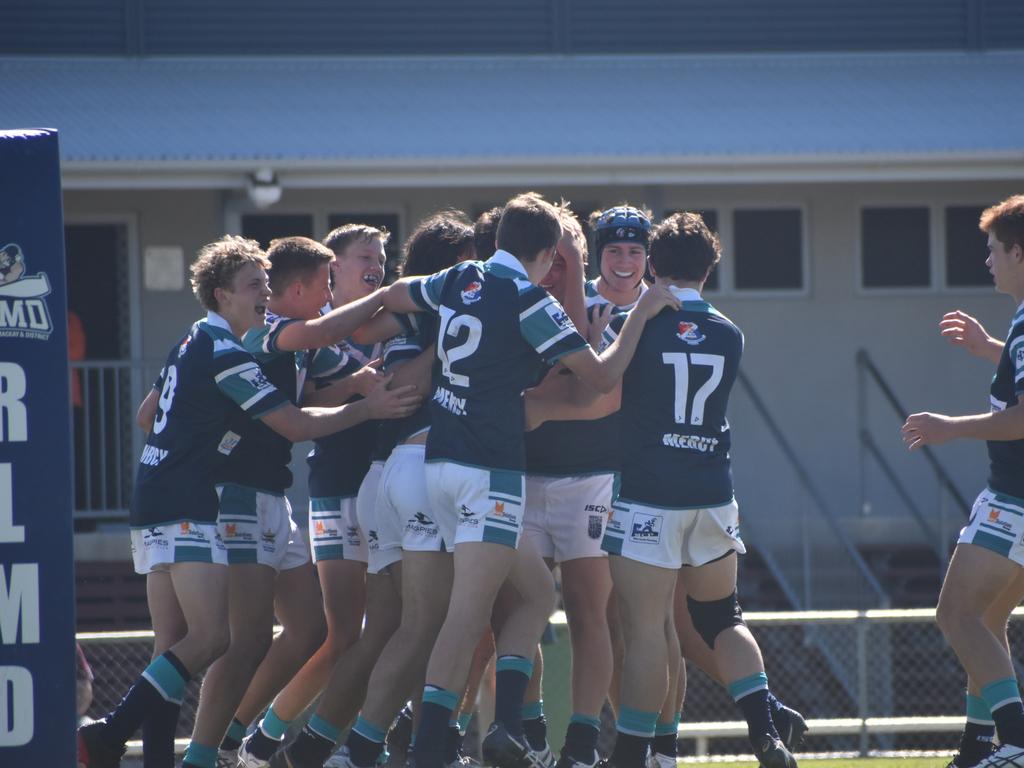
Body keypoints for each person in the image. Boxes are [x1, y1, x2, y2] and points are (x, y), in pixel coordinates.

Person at [76, 235, 408, 768]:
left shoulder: (203, 341)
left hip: (220, 498)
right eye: (258, 285)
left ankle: (202, 746)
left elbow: (150, 416)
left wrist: (349, 391)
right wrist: (397, 301)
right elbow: (295, 419)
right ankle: (192, 749)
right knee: (226, 639)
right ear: (224, 295)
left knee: (292, 630)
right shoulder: (250, 341)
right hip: (219, 501)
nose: (267, 293)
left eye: (267, 284)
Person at [377, 192, 678, 768]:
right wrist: (635, 318)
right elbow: (594, 380)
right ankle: (446, 741)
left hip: (469, 468)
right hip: (498, 475)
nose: (560, 270)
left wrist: (315, 329)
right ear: (543, 255)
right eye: (557, 258)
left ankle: (537, 734)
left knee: (546, 605)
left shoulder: (475, 281)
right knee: (478, 614)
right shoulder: (524, 301)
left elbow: (397, 294)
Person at [271, 213, 474, 768]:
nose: (377, 269)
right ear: (330, 270)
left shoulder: (392, 316)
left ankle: (325, 746)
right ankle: (262, 742)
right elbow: (316, 386)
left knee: (383, 630)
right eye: (366, 259)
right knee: (359, 632)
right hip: (352, 484)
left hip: (376, 480)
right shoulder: (327, 326)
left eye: (382, 261)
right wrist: (365, 395)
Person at [599, 212, 795, 768]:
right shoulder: (731, 332)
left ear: (652, 266)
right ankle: (765, 734)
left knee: (644, 630)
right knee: (722, 619)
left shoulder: (635, 322)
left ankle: (632, 754)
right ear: (711, 268)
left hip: (648, 496)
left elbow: (604, 378)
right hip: (711, 494)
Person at [902, 194, 1024, 768]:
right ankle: (978, 748)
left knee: (955, 616)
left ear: (1019, 253)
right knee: (988, 620)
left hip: (1014, 501)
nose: (989, 261)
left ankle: (1017, 740)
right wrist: (989, 350)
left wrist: (952, 427)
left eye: (995, 250)